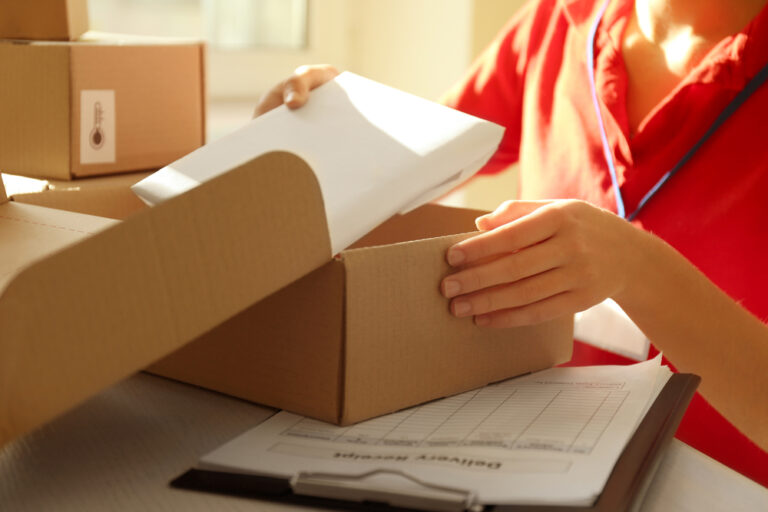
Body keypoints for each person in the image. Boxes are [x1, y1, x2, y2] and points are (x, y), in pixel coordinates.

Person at [254, 0, 768, 486]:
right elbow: (419, 156)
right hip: (528, 463)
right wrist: (342, 124)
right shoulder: (558, 23)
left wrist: (636, 267)